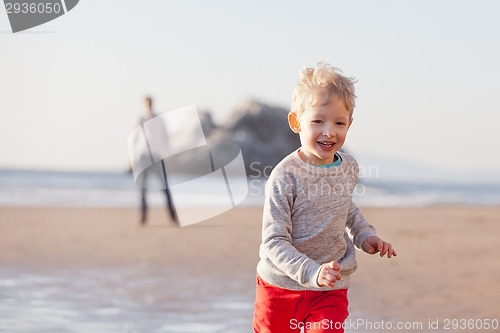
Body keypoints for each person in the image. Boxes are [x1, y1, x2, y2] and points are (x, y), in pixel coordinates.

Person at [252, 62, 397, 333]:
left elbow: (345, 207)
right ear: (296, 122)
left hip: (331, 284)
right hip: (280, 287)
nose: (329, 131)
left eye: (339, 122)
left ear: (349, 124)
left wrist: (365, 235)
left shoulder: (348, 167)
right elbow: (274, 241)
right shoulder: (285, 176)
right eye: (318, 121)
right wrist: (310, 273)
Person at [136, 96, 178, 226]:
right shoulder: (140, 119)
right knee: (142, 187)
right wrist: (132, 158)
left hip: (157, 155)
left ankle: (172, 217)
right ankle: (143, 218)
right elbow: (134, 138)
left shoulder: (160, 119)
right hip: (144, 155)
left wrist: (168, 155)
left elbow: (166, 138)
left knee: (165, 186)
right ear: (144, 104)